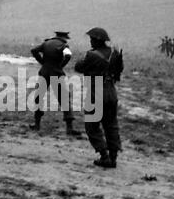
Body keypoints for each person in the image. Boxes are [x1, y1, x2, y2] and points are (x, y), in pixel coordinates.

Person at [75, 27, 123, 168]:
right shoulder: (115, 53)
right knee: (111, 125)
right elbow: (119, 70)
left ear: (97, 41)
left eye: (91, 39)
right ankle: (113, 158)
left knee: (91, 125)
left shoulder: (92, 55)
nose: (90, 41)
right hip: (111, 92)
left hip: (96, 92)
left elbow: (79, 67)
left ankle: (104, 155)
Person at [30, 31, 80, 135]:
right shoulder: (63, 45)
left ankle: (37, 124)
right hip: (56, 73)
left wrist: (42, 62)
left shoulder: (46, 43)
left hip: (44, 73)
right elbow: (68, 55)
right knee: (64, 99)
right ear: (64, 37)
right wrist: (60, 66)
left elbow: (34, 50)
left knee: (39, 97)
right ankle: (69, 128)